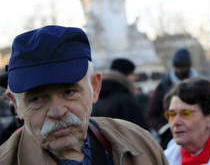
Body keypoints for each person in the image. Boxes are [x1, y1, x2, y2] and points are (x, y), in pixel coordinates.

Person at [0, 25, 168, 164]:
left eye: (69, 92)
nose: (57, 112)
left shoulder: (142, 145)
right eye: (36, 99)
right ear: (16, 105)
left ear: (95, 88)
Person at [145, 48, 197, 148]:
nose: (180, 70)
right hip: (170, 138)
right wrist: (163, 128)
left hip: (195, 135)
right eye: (177, 66)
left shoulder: (199, 84)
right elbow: (151, 114)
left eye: (183, 66)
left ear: (189, 66)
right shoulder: (163, 86)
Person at [92, 58, 148, 129]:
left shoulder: (97, 99)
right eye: (133, 73)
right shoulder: (125, 101)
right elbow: (139, 132)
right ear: (125, 75)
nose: (136, 77)